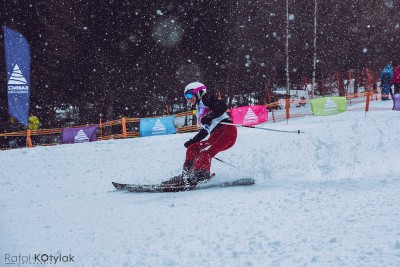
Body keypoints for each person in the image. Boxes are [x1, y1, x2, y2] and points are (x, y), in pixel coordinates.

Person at [163, 82, 237, 186]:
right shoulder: (200, 109)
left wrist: (210, 116)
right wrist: (193, 141)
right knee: (193, 148)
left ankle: (201, 176)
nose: (188, 99)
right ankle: (187, 175)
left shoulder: (206, 98)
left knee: (205, 152)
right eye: (186, 96)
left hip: (226, 130)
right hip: (216, 134)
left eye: (189, 94)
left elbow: (222, 106)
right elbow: (205, 130)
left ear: (198, 92)